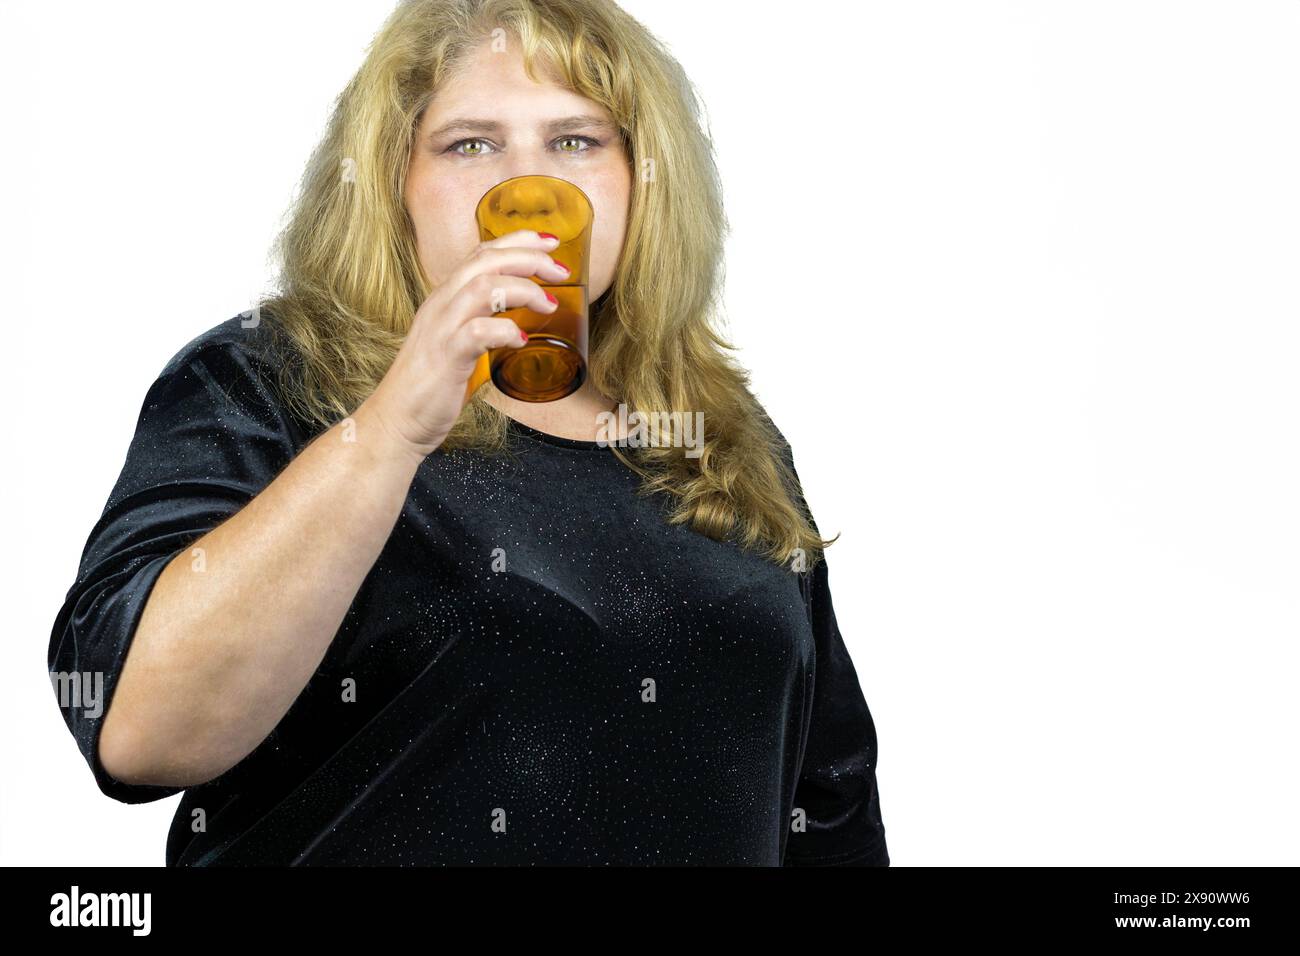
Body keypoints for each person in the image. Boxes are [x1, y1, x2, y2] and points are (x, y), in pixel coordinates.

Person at [47, 0, 889, 866]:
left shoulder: (715, 431)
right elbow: (137, 731)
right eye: (470, 144)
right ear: (393, 183)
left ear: (641, 182)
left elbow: (828, 802)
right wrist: (392, 427)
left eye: (576, 141)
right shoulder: (270, 381)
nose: (526, 189)